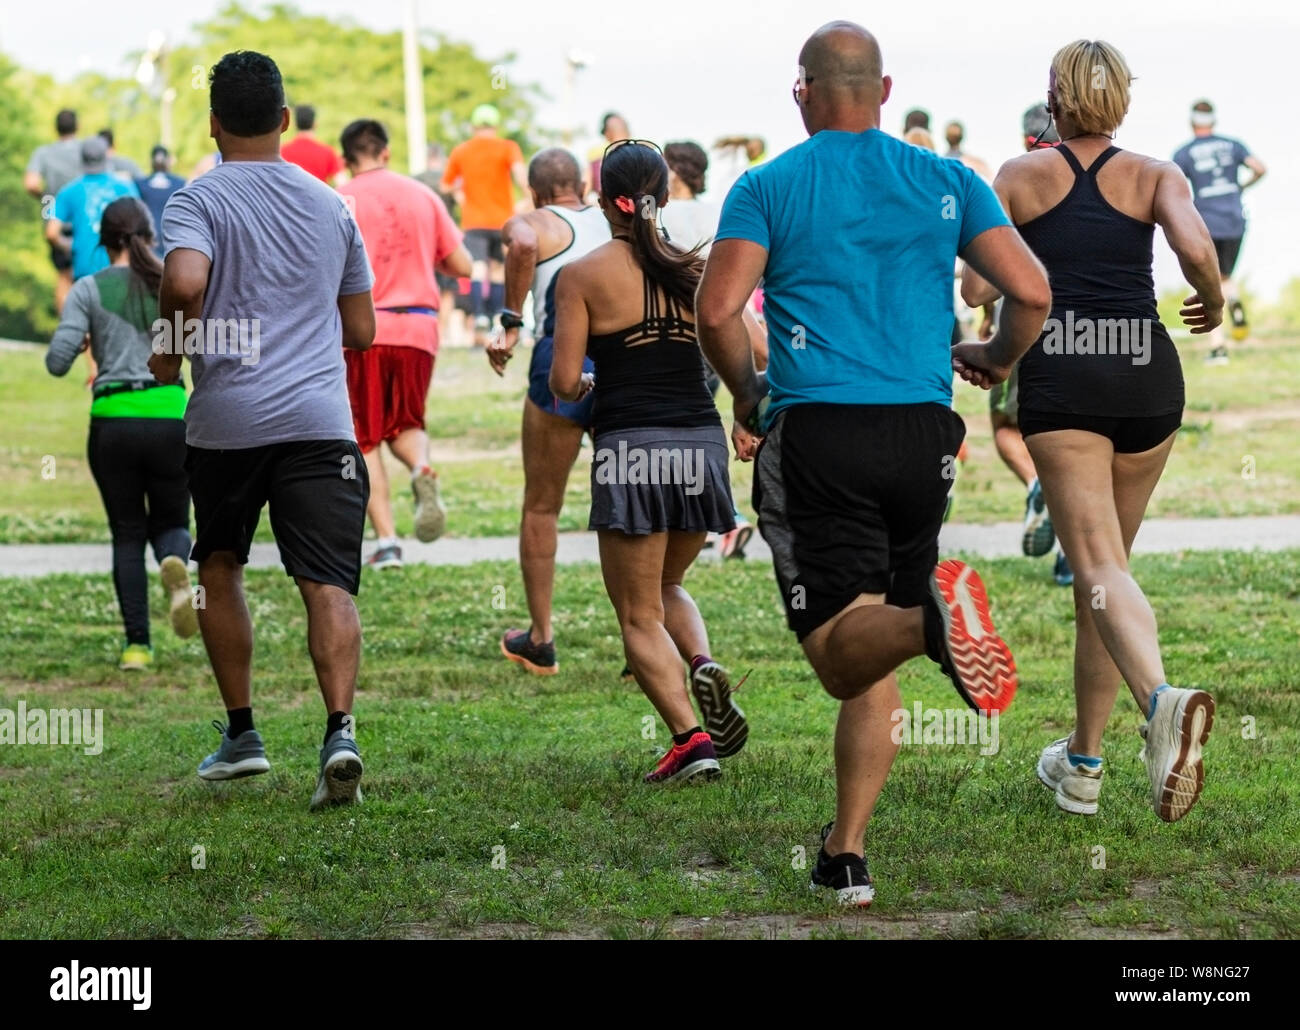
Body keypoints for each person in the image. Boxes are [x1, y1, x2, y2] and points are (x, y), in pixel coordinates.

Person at [699, 21, 1048, 905]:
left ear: (801, 94)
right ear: (885, 92)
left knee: (838, 657)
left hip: (821, 430)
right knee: (874, 633)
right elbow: (1034, 291)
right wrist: (997, 358)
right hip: (923, 435)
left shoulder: (767, 184)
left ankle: (933, 621)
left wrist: (747, 393)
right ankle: (845, 853)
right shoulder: (947, 178)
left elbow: (717, 313)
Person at [961, 39, 1222, 823]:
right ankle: (1082, 767)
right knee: (1107, 581)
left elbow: (978, 280)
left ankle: (1162, 705)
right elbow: (1196, 248)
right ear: (1123, 101)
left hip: (1065, 372)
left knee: (1099, 570)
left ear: (1054, 96)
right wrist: (1209, 296)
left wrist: (990, 323)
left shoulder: (1018, 174)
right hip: (1147, 371)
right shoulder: (1156, 173)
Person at [148, 50, 376, 810]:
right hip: (319, 423)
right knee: (328, 582)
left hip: (227, 426)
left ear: (213, 123)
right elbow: (364, 330)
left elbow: (182, 280)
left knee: (219, 567)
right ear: (283, 119)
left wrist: (169, 351)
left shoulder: (196, 200)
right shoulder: (332, 205)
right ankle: (339, 730)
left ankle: (243, 734)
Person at [550, 140, 749, 781]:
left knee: (637, 614)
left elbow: (560, 381)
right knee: (666, 587)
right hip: (700, 444)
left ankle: (690, 739)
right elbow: (754, 350)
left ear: (603, 197)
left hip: (632, 448)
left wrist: (586, 386)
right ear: (661, 196)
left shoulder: (580, 276)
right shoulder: (696, 271)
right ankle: (700, 664)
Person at [45, 197, 196, 671]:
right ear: (149, 235)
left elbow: (56, 362)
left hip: (113, 422)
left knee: (127, 534)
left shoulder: (88, 289)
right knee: (172, 521)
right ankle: (175, 565)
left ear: (103, 241)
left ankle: (137, 647)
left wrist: (85, 339)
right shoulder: (172, 285)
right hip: (171, 415)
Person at [487, 148, 610, 675]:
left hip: (561, 354)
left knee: (542, 504)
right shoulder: (615, 216)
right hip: (623, 360)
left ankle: (541, 638)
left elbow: (522, 242)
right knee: (628, 503)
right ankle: (644, 636)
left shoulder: (538, 219)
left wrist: (511, 319)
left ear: (537, 192)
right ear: (581, 186)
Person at [338, 119, 472, 568]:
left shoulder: (341, 201)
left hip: (364, 329)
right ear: (386, 152)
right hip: (419, 327)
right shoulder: (424, 195)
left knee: (365, 436)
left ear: (346, 158)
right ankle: (420, 468)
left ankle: (388, 543)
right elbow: (463, 264)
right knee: (407, 421)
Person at [977, 103, 1073, 587]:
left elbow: (978, 285)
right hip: (1086, 334)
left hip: (1019, 327)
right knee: (1078, 446)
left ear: (1025, 139)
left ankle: (1038, 485)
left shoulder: (1013, 181)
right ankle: (1072, 558)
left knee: (1006, 428)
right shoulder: (1106, 178)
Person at [662, 140, 763, 561]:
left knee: (678, 430)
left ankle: (726, 519)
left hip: (678, 337)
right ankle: (703, 522)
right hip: (716, 338)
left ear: (675, 172)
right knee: (694, 426)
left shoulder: (664, 216)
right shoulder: (715, 213)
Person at [1173, 100, 1266, 364]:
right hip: (1235, 218)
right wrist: (1242, 187)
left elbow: (1174, 187)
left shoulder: (1184, 153)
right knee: (1225, 275)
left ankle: (1218, 348)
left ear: (1192, 122)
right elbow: (1260, 168)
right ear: (1213, 121)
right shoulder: (1233, 145)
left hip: (1207, 221)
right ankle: (1234, 300)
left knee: (1209, 281)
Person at [441, 104, 527, 346]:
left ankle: (478, 316)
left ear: (474, 127)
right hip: (503, 220)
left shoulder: (461, 151)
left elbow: (446, 185)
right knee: (499, 270)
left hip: (474, 220)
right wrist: (526, 200)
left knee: (478, 268)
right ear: (496, 126)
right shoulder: (508, 148)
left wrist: (461, 193)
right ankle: (495, 317)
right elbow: (521, 176)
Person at [46, 137, 141, 285]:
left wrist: (71, 245)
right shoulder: (125, 188)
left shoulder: (68, 191)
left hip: (84, 272)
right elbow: (139, 229)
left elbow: (51, 233)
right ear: (106, 157)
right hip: (120, 271)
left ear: (82, 159)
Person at [25, 109, 83, 313]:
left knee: (63, 276)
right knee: (86, 277)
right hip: (82, 222)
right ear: (78, 126)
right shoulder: (84, 150)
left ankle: (67, 330)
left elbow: (31, 183)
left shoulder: (43, 152)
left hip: (54, 223)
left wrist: (46, 197)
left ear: (56, 128)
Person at [415, 142, 470, 346]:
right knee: (447, 288)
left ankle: (426, 329)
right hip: (446, 238)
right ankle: (440, 332)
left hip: (422, 238)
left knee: (423, 284)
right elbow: (463, 203)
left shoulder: (416, 180)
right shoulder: (451, 180)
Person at [135, 146, 186, 258]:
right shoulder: (180, 183)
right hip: (172, 240)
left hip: (148, 241)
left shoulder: (139, 184)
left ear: (151, 161)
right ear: (168, 161)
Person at [281, 104, 347, 187]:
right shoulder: (327, 152)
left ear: (295, 125)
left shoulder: (281, 151)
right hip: (319, 198)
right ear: (315, 124)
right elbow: (342, 182)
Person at [587, 111, 630, 198]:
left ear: (607, 133)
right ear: (628, 131)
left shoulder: (596, 158)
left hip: (605, 209)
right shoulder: (647, 154)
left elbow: (584, 191)